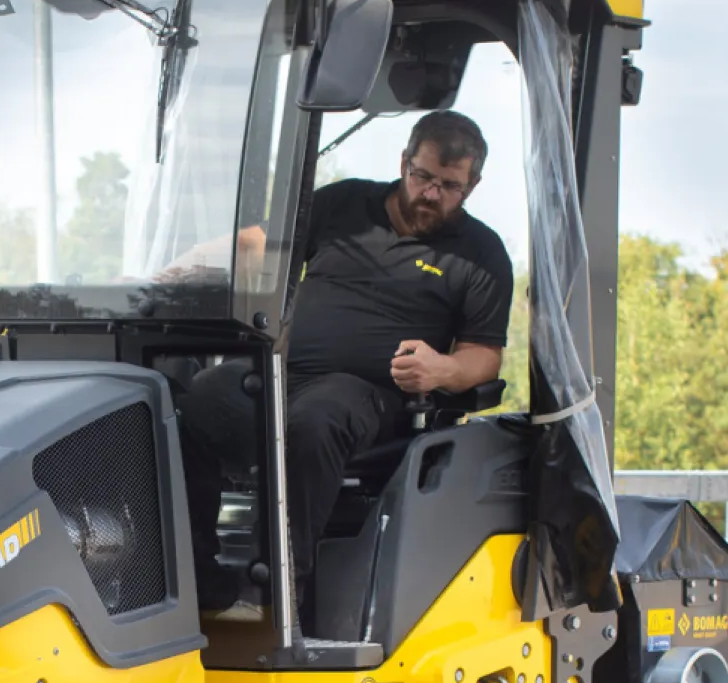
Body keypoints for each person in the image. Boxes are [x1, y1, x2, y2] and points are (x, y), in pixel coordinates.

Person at [181, 110, 512, 623]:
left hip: (374, 396)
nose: (431, 194)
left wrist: (440, 370)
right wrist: (183, 266)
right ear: (404, 162)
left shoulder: (481, 254)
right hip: (283, 376)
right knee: (196, 400)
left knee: (314, 422)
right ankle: (199, 585)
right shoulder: (345, 205)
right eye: (423, 177)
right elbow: (258, 243)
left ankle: (279, 595)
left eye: (451, 187)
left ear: (473, 185)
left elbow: (484, 356)